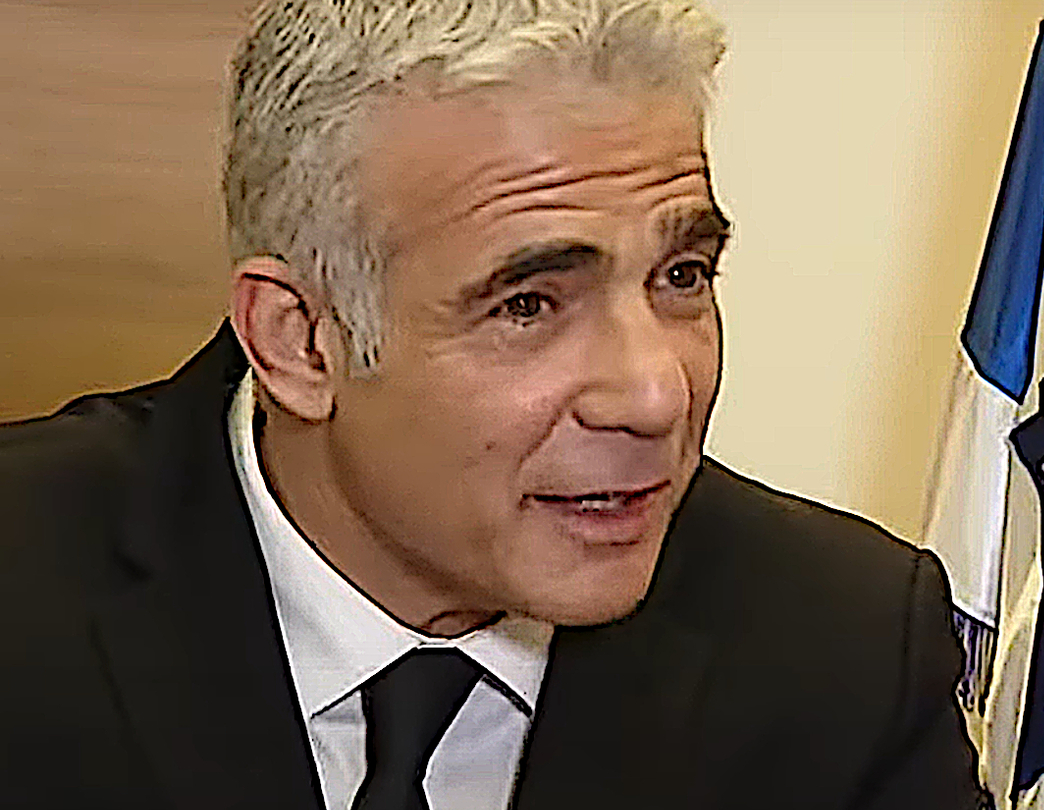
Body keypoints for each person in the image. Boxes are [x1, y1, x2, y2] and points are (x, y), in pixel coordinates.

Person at [0, 1, 984, 808]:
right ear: (301, 342)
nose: (656, 394)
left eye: (681, 276)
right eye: (528, 305)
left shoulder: (844, 652)